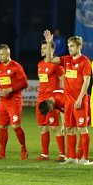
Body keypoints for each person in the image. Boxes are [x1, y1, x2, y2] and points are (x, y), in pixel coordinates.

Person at [0, 44, 29, 160]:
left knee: (15, 126)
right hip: (3, 102)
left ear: (8, 54)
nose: (0, 57)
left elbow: (24, 83)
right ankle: (1, 153)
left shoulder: (16, 66)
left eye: (2, 55)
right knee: (2, 126)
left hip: (15, 100)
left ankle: (24, 149)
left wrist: (10, 89)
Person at [59, 36, 92, 164]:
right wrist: (50, 42)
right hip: (68, 102)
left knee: (82, 129)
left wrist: (79, 99)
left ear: (79, 47)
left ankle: (85, 158)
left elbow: (86, 82)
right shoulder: (66, 60)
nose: (69, 48)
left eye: (72, 46)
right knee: (69, 129)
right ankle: (72, 157)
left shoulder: (85, 61)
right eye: (68, 46)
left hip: (79, 101)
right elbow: (50, 59)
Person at [35, 29, 66, 161]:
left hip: (51, 100)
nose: (43, 50)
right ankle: (44, 154)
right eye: (42, 48)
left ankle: (62, 154)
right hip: (40, 99)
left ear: (52, 50)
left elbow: (63, 79)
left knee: (55, 127)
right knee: (43, 127)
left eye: (45, 47)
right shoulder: (40, 64)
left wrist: (62, 95)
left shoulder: (56, 65)